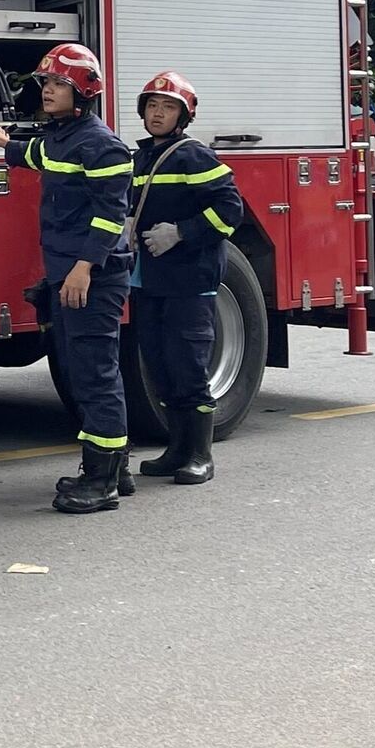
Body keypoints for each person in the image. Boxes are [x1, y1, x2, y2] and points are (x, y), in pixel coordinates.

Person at [0, 42, 134, 515]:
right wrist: (7, 145)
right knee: (81, 370)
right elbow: (39, 156)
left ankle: (102, 481)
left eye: (58, 84)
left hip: (90, 277)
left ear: (82, 91)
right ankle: (117, 468)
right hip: (68, 274)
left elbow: (112, 217)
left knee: (93, 374)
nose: (46, 90)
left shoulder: (102, 144)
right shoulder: (64, 138)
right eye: (46, 83)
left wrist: (84, 269)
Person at [127, 72, 245, 486]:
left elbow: (230, 211)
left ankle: (200, 454)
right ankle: (176, 449)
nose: (158, 113)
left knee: (188, 364)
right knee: (160, 366)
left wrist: (180, 232)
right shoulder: (143, 157)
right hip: (150, 281)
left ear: (184, 115)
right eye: (153, 106)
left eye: (168, 107)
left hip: (188, 281)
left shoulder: (192, 156)